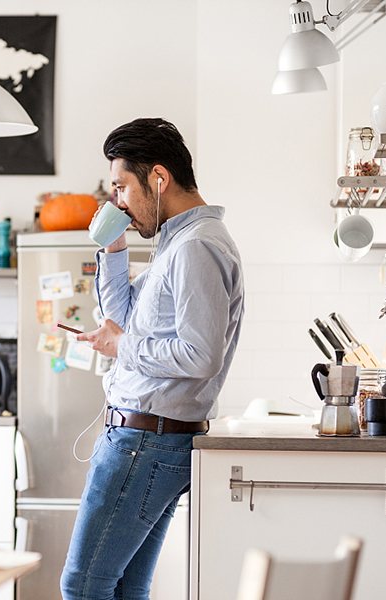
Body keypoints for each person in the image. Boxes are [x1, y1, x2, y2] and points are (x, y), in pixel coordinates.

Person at [60, 118, 245, 600]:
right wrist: (114, 249)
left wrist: (121, 348)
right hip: (148, 439)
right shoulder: (177, 243)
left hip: (145, 442)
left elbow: (199, 355)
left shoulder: (196, 246)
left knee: (82, 587)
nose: (118, 201)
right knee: (123, 588)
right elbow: (120, 318)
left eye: (122, 187)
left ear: (158, 179)